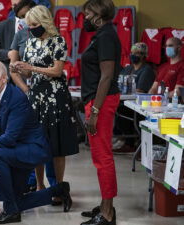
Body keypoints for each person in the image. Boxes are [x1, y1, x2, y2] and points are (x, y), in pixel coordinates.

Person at [0, 60, 71, 224]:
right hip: (15, 149)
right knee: (16, 201)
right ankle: (59, 189)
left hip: (32, 148)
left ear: (3, 79)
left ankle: (10, 211)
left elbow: (9, 137)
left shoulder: (17, 97)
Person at [13, 5, 79, 201]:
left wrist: (31, 66)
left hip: (56, 97)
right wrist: (19, 68)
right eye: (29, 25)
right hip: (36, 97)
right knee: (36, 143)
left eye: (34, 24)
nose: (31, 28)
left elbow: (57, 71)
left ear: (45, 22)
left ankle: (58, 187)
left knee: (57, 145)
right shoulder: (31, 43)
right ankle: (40, 185)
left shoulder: (58, 41)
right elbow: (29, 73)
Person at [80, 0, 121, 224]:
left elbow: (106, 76)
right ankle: (106, 207)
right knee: (100, 156)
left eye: (87, 14)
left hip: (101, 102)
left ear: (97, 15)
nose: (84, 18)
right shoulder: (103, 34)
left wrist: (95, 110)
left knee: (103, 157)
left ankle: (107, 214)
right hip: (98, 100)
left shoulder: (105, 36)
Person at [0, 0, 29, 70]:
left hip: (30, 70)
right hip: (9, 71)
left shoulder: (35, 24)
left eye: (20, 4)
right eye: (14, 5)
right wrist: (9, 54)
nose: (17, 8)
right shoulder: (4, 25)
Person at [8, 0, 35, 93]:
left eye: (25, 15)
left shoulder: (49, 33)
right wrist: (26, 90)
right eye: (20, 17)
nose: (23, 19)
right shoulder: (20, 34)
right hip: (25, 85)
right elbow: (13, 69)